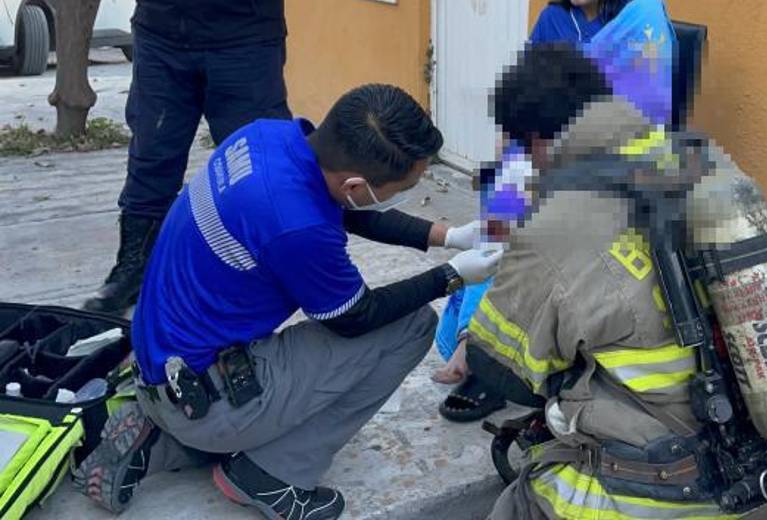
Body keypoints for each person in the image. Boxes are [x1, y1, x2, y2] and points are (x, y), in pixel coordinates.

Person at [74, 85, 503, 519]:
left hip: (165, 369)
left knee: (261, 389)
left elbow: (343, 206)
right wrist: (451, 276)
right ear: (355, 183)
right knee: (411, 326)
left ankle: (158, 439)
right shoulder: (298, 230)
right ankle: (271, 473)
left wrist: (447, 237)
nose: (403, 193)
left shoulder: (266, 138)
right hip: (210, 393)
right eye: (402, 187)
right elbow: (356, 316)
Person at [471, 45, 767, 519]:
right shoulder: (704, 161)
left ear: (535, 141)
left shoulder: (557, 223)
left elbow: (498, 371)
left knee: (518, 506)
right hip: (761, 460)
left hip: (657, 488)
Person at [435, 0, 667, 422]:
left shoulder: (640, 22)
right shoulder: (553, 21)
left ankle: (487, 353)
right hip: (546, 153)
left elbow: (647, 103)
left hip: (612, 156)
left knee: (540, 230)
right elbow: (528, 92)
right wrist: (505, 156)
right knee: (502, 215)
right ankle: (481, 350)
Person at [77, 0, 324, 314]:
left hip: (245, 39)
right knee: (151, 157)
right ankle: (133, 270)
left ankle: (274, 273)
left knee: (260, 167)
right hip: (160, 34)